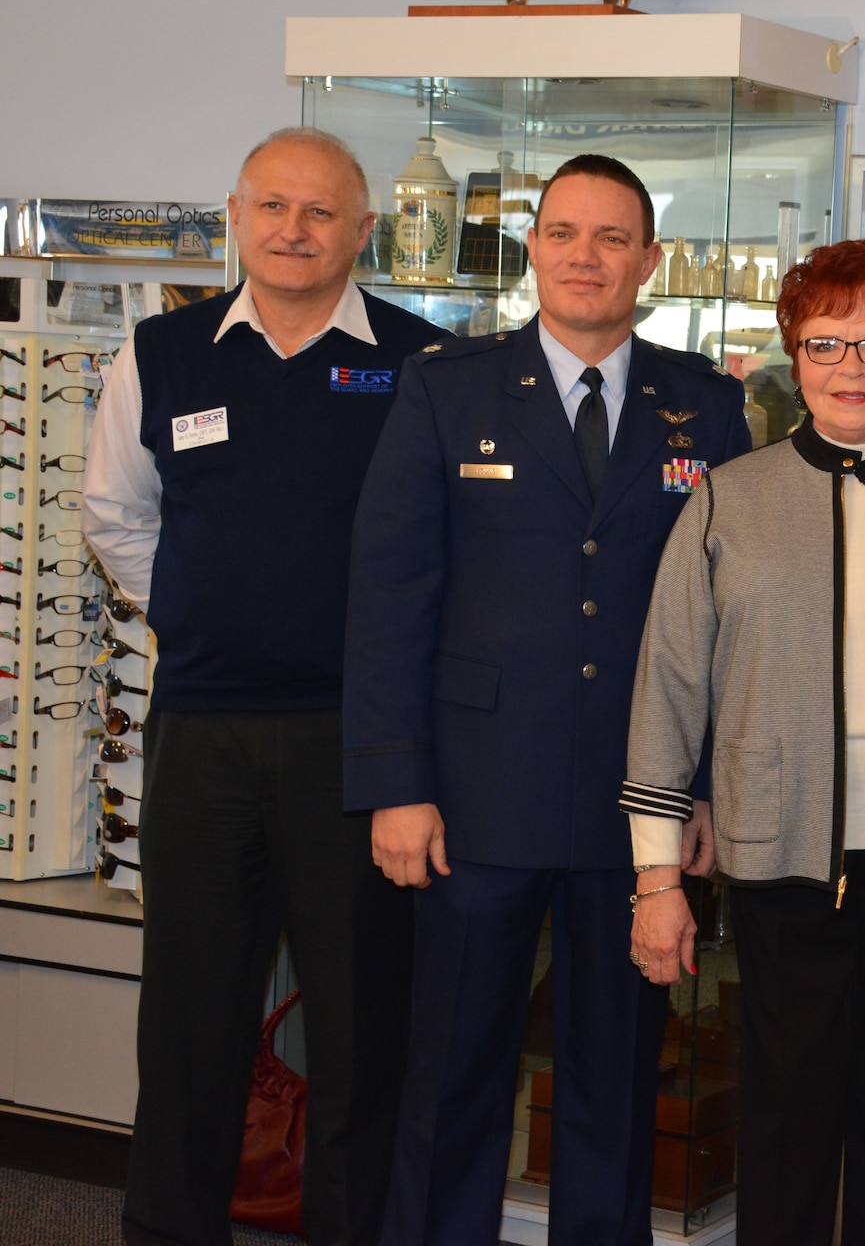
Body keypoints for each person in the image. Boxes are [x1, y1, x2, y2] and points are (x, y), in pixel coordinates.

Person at [342, 153, 750, 1245]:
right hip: (473, 797)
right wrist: (394, 783)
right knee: (453, 1072)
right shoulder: (448, 386)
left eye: (612, 238)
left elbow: (729, 620)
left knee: (614, 1079)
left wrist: (702, 791)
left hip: (637, 806)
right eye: (565, 233)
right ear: (533, 249)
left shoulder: (703, 408)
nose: (586, 257)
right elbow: (390, 594)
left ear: (649, 260)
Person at [79, 127, 447, 1246]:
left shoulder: (422, 365)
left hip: (361, 748)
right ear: (235, 216)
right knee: (189, 1024)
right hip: (202, 736)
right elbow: (114, 519)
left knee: (357, 1032)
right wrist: (205, 616)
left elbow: (447, 550)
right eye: (272, 207)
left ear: (363, 231)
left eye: (321, 211)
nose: (294, 230)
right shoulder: (162, 353)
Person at [621, 237, 865, 1245]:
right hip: (776, 865)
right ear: (792, 357)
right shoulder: (727, 499)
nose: (851, 369)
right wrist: (656, 878)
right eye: (826, 343)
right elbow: (667, 687)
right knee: (784, 1125)